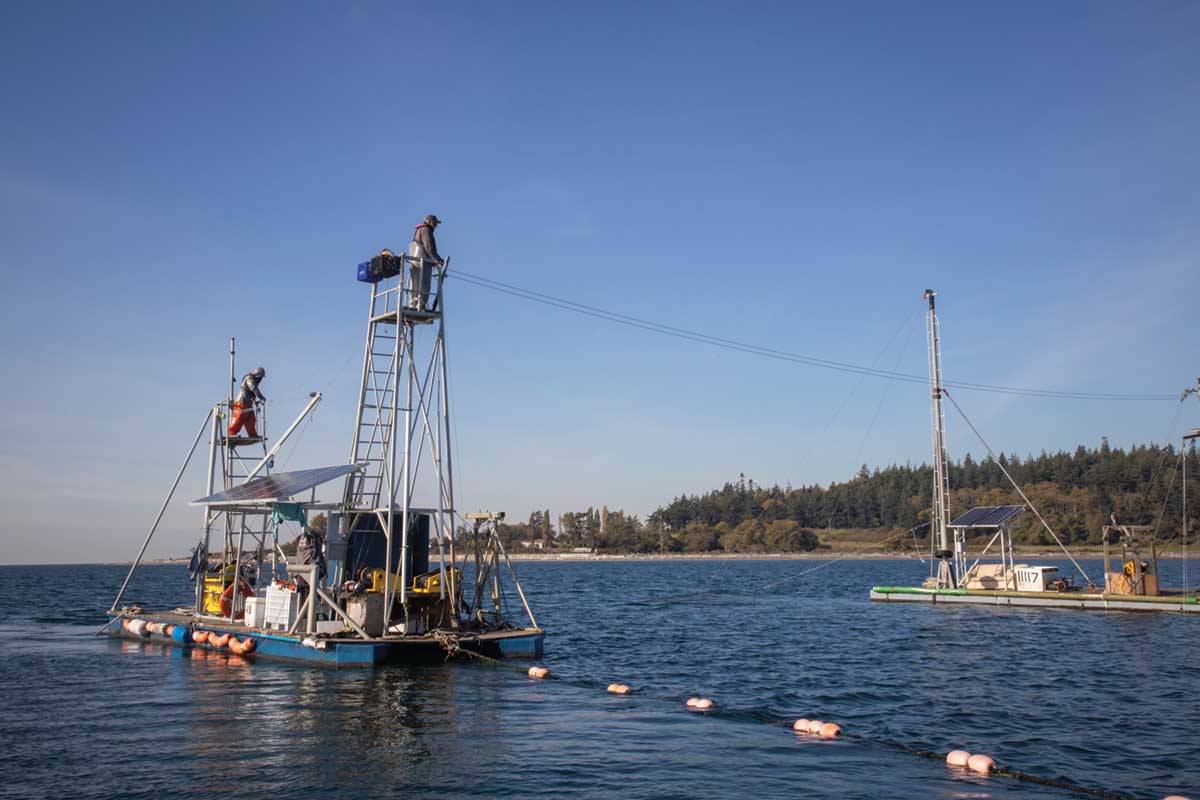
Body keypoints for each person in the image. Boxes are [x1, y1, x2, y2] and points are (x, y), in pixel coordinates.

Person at [407, 214, 444, 311]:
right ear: (429, 222)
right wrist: (437, 260)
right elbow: (429, 247)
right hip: (423, 262)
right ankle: (421, 304)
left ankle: (415, 304)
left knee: (416, 283)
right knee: (424, 283)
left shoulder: (418, 230)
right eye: (435, 223)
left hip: (415, 262)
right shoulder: (426, 230)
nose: (435, 226)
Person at [228, 367, 267, 438]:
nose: (261, 379)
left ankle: (252, 434)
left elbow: (252, 394)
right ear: (258, 375)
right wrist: (262, 397)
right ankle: (231, 433)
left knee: (251, 419)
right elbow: (254, 389)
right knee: (238, 417)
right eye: (260, 377)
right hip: (241, 402)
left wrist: (256, 402)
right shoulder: (249, 378)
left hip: (248, 404)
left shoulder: (254, 382)